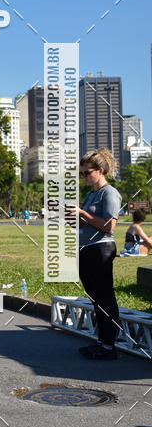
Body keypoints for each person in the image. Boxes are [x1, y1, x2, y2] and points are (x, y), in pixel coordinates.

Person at [76, 149, 122, 360]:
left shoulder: (109, 193)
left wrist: (83, 214)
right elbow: (86, 222)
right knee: (94, 296)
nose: (84, 176)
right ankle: (100, 340)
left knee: (104, 297)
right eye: (82, 173)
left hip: (101, 248)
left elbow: (109, 225)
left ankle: (109, 345)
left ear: (100, 170)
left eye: (87, 172)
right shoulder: (91, 194)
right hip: (87, 249)